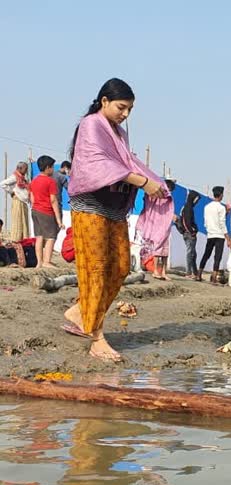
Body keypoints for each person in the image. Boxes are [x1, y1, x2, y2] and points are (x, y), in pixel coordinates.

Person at [64, 77, 170, 362]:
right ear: (105, 102)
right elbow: (97, 164)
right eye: (121, 107)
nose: (125, 114)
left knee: (122, 265)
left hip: (114, 208)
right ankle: (95, 336)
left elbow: (127, 162)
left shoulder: (119, 134)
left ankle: (79, 312)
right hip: (89, 206)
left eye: (130, 110)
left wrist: (154, 182)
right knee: (96, 269)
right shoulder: (91, 125)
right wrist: (140, 180)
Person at [29, 155, 64, 268]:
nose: (53, 170)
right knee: (51, 237)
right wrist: (59, 220)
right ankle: (46, 261)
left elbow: (32, 198)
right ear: (48, 167)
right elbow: (53, 200)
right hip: (46, 211)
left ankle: (39, 262)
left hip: (35, 210)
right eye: (52, 167)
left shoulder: (34, 181)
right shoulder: (50, 182)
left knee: (39, 237)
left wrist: (35, 207)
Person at [197, 186, 229, 283]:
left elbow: (206, 221)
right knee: (217, 257)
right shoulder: (221, 207)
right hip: (219, 235)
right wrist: (227, 237)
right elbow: (222, 223)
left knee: (206, 254)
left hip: (210, 234)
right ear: (221, 195)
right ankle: (214, 277)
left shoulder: (207, 207)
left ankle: (199, 273)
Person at [151, 179, 176, 280]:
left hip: (166, 226)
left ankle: (164, 272)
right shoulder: (157, 197)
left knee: (165, 251)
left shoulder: (170, 199)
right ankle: (156, 270)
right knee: (157, 249)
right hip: (158, 226)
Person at [0, 161, 31, 241]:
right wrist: (12, 192)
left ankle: (23, 242)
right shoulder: (15, 177)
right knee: (18, 223)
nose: (26, 171)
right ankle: (16, 242)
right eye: (25, 169)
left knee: (24, 223)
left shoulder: (23, 178)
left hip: (23, 202)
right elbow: (3, 184)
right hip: (17, 202)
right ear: (20, 168)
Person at [178, 190, 200, 278]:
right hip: (189, 234)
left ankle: (195, 272)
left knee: (193, 254)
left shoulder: (186, 207)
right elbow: (186, 222)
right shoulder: (188, 208)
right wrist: (192, 232)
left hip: (188, 233)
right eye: (196, 200)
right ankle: (189, 272)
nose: (197, 202)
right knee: (190, 253)